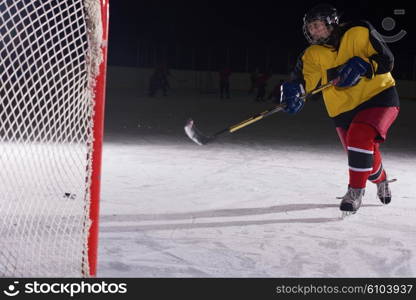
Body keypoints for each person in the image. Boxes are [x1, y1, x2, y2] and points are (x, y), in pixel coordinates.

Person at [278, 4, 400, 213]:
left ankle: (355, 192)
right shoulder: (311, 55)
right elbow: (306, 84)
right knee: (365, 162)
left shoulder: (359, 30)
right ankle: (381, 179)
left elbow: (387, 60)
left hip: (379, 96)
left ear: (330, 22)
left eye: (316, 26)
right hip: (343, 109)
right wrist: (294, 92)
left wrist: (365, 64)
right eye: (310, 28)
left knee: (360, 136)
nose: (313, 31)